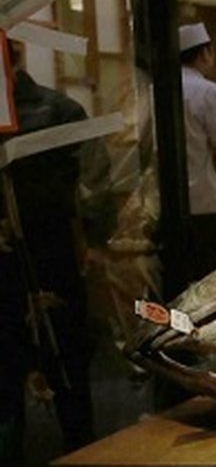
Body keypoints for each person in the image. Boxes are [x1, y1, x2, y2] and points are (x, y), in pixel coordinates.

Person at [0, 38, 96, 461]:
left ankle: (84, 451)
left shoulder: (58, 111)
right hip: (18, 255)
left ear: (15, 53)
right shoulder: (60, 109)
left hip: (49, 250)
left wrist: (84, 243)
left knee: (67, 361)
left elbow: (82, 190)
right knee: (5, 370)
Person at [179, 22, 216, 214]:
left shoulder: (155, 90)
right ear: (204, 54)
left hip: (166, 195)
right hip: (203, 193)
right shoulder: (210, 92)